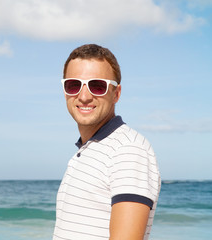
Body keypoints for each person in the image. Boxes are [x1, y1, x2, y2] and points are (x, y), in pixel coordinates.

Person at [53, 44, 161, 240]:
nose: (84, 96)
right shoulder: (88, 150)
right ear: (65, 90)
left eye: (97, 86)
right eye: (73, 85)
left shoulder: (128, 149)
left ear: (116, 93)